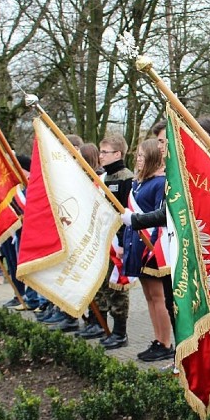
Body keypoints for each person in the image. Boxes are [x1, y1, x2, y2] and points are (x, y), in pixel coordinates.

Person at [75, 134, 134, 345]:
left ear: (117, 154)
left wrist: (122, 242)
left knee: (117, 287)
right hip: (103, 239)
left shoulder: (127, 178)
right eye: (100, 152)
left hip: (118, 241)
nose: (101, 156)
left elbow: (127, 211)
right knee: (101, 284)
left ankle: (120, 332)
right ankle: (100, 323)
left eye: (105, 152)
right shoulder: (103, 178)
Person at [119, 138, 174, 357]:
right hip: (137, 243)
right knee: (149, 297)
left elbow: (162, 216)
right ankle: (158, 338)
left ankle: (166, 342)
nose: (138, 159)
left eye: (142, 155)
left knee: (158, 296)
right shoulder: (138, 182)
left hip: (152, 246)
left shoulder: (160, 183)